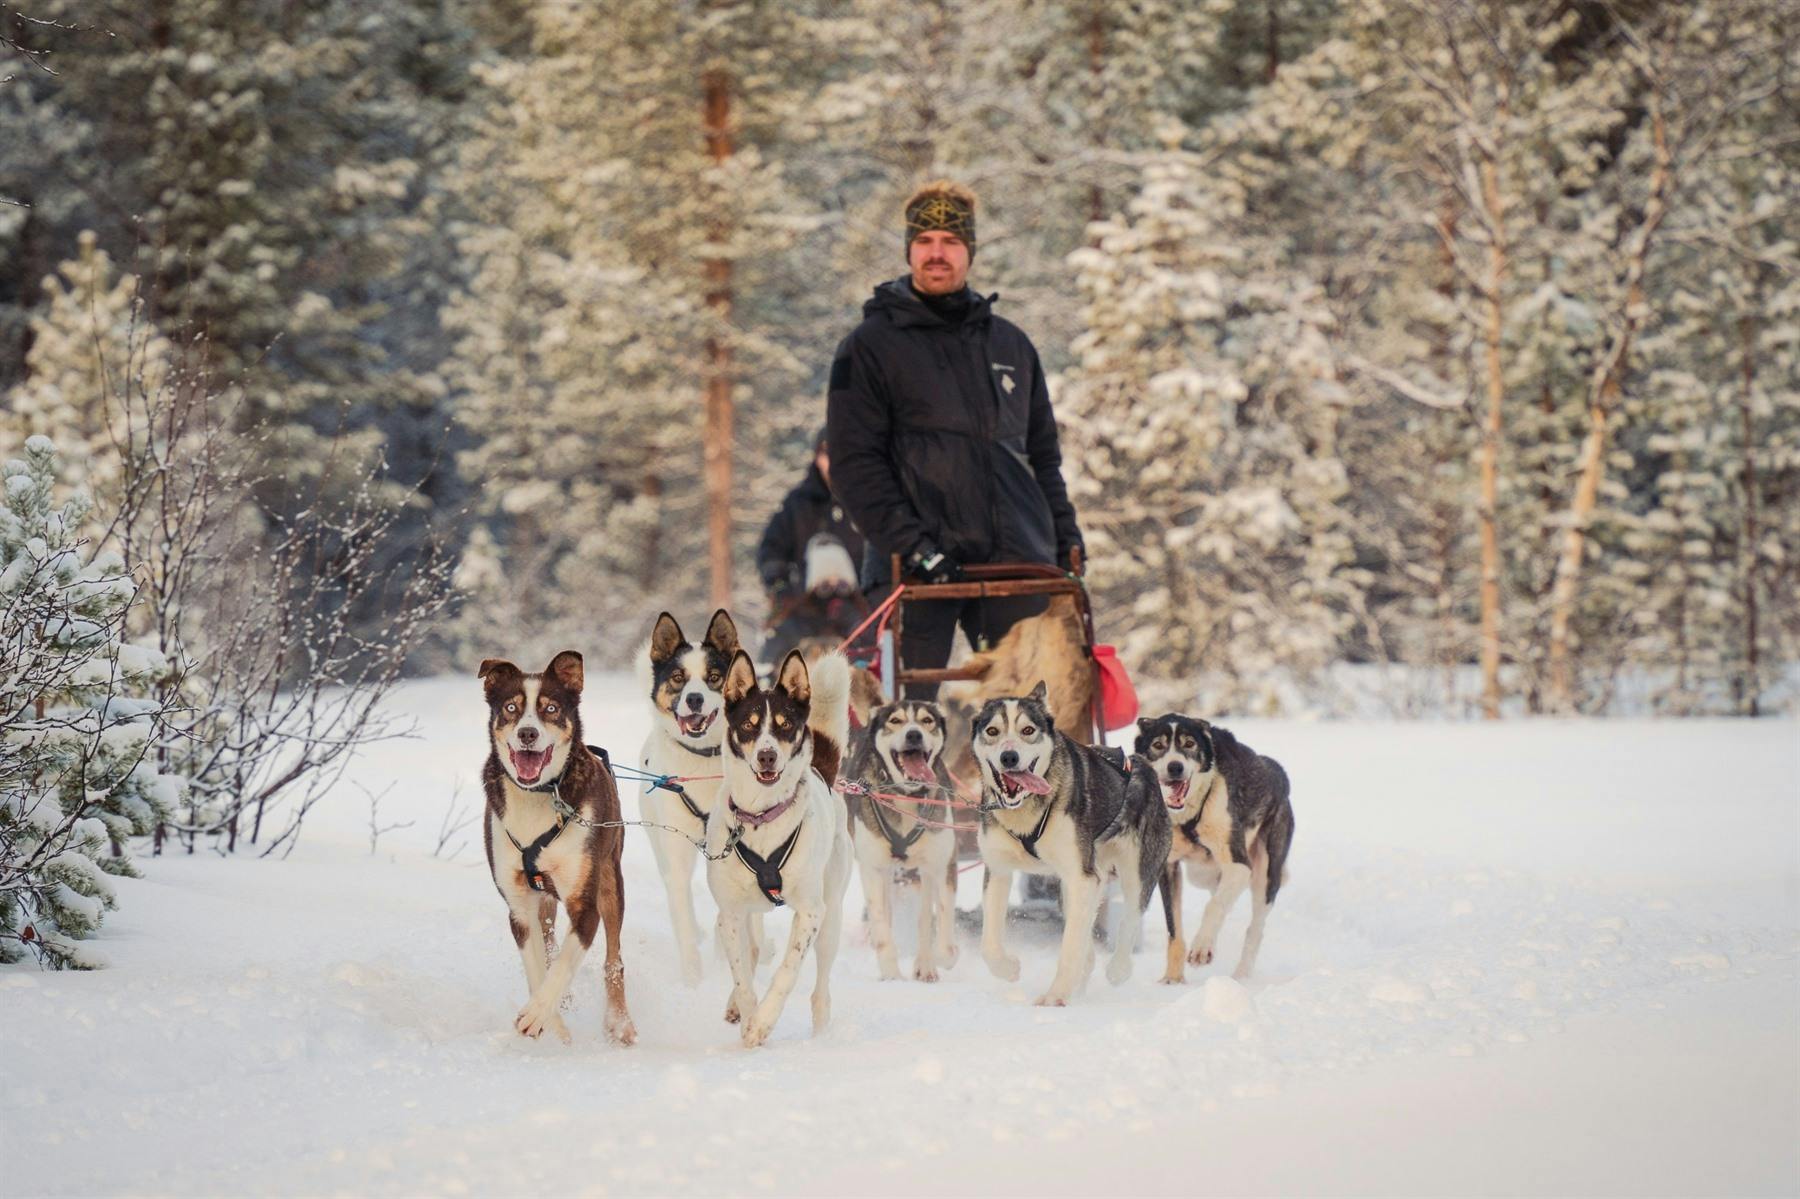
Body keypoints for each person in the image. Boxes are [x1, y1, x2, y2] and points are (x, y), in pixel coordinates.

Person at [826, 179, 1083, 698]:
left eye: (950, 241)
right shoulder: (869, 347)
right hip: (916, 569)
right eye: (925, 241)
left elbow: (1042, 456)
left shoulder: (1010, 343)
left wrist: (1064, 538)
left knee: (1032, 718)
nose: (936, 253)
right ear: (909, 250)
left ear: (970, 250)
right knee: (906, 723)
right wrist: (915, 548)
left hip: (1016, 564)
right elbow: (856, 465)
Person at [756, 429, 869, 668]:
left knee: (872, 641)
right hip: (803, 603)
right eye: (827, 452)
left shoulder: (866, 502)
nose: (833, 459)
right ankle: (765, 691)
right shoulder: (798, 504)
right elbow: (771, 549)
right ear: (817, 456)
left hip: (857, 601)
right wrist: (780, 587)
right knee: (777, 641)